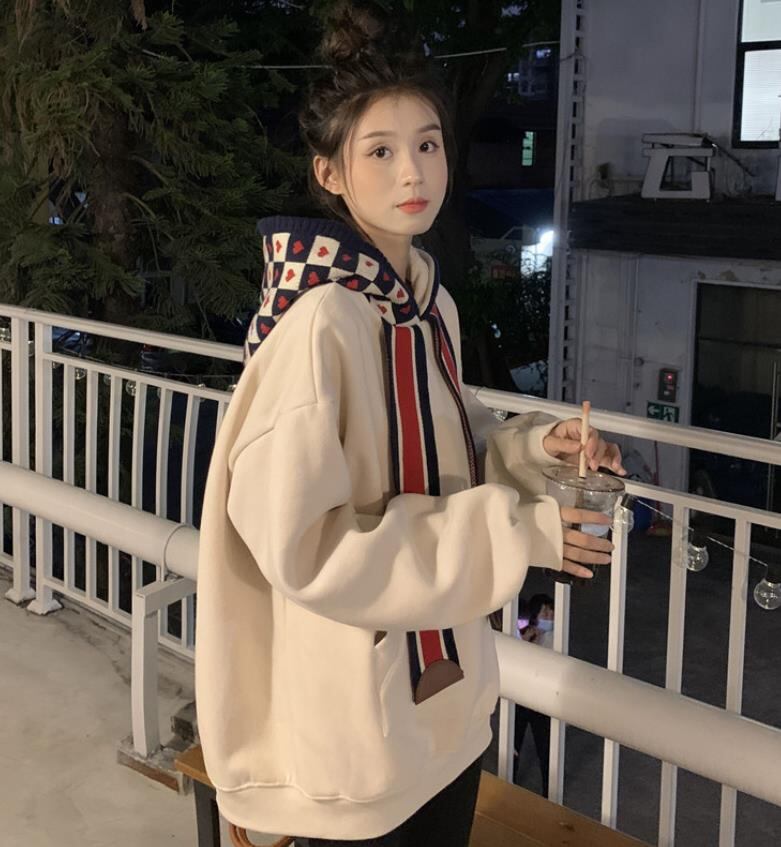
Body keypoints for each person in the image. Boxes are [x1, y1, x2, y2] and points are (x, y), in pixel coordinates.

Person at [194, 4, 625, 845]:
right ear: (328, 173)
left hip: (444, 718)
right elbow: (305, 545)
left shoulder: (424, 303)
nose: (412, 172)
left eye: (427, 144)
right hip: (358, 746)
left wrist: (533, 448)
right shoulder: (320, 323)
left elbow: (437, 451)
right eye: (380, 151)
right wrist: (520, 531)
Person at [514, 593, 555, 796]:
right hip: (521, 699)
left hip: (541, 702)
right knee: (513, 745)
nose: (550, 616)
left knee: (546, 749)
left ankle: (549, 792)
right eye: (545, 612)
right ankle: (509, 780)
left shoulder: (553, 638)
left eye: (551, 612)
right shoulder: (522, 633)